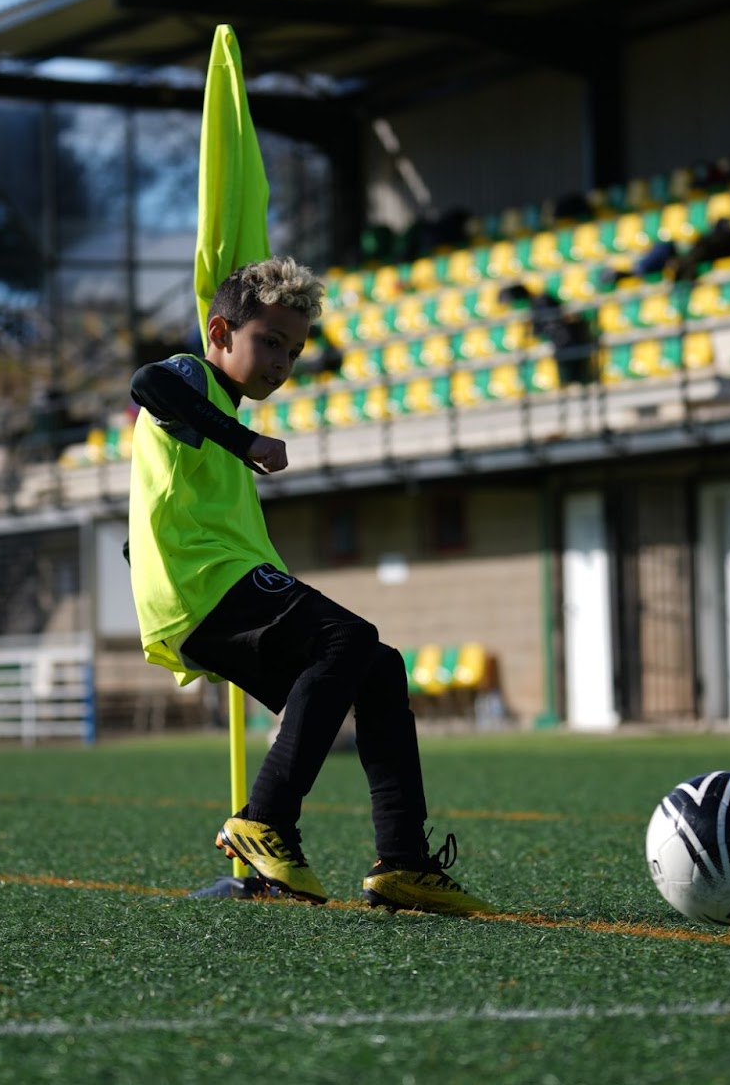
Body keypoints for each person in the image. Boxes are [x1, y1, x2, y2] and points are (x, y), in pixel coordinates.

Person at [127, 255, 495, 916]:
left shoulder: (217, 409)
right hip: (206, 585)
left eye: (292, 351)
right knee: (348, 637)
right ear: (218, 333)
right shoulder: (193, 382)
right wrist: (242, 440)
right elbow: (148, 379)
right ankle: (265, 819)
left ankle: (402, 863)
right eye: (268, 342)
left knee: (377, 668)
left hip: (210, 589)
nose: (280, 362)